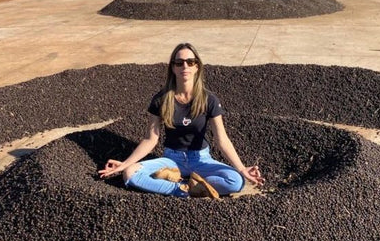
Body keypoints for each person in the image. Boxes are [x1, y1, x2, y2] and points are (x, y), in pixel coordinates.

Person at [98, 42, 264, 198]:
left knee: (235, 181)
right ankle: (185, 189)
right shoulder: (160, 99)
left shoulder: (209, 99)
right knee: (130, 174)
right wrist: (125, 164)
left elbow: (221, 139)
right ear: (173, 67)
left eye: (190, 62)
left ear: (197, 66)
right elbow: (151, 139)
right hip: (172, 159)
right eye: (179, 62)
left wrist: (242, 169)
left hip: (201, 159)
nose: (185, 66)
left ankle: (182, 184)